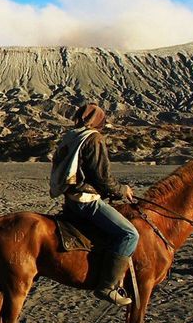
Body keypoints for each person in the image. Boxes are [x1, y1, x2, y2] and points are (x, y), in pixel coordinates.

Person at [50, 103, 138, 306]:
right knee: (130, 234)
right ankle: (108, 286)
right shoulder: (93, 138)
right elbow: (102, 177)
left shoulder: (72, 136)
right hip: (86, 201)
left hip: (70, 200)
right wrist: (121, 190)